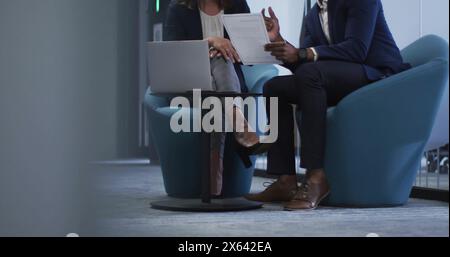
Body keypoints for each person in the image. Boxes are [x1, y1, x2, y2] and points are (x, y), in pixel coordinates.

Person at [245, 0, 411, 210]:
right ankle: (285, 180)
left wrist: (304, 53)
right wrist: (279, 42)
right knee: (274, 87)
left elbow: (357, 49)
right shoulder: (314, 14)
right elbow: (302, 66)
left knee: (311, 73)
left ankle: (316, 176)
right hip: (342, 77)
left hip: (377, 73)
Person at [165, 0, 270, 196]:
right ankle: (240, 126)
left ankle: (212, 184)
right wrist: (211, 42)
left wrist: (263, 38)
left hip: (224, 84)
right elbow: (171, 52)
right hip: (191, 82)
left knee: (218, 80)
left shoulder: (237, 5)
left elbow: (248, 57)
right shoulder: (178, 7)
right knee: (217, 59)